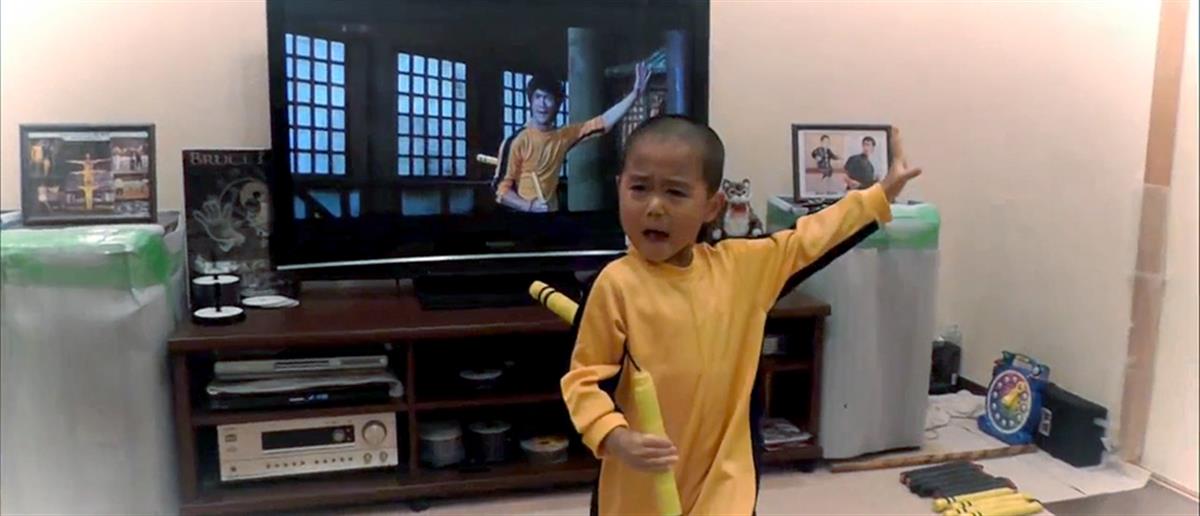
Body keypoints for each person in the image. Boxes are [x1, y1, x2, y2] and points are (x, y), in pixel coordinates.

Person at [561, 117, 921, 515]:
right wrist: (613, 436)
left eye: (675, 192)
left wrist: (882, 193)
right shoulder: (615, 285)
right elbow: (583, 379)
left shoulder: (742, 269)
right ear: (619, 189)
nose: (654, 207)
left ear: (711, 206)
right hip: (640, 487)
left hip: (724, 483)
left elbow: (812, 237)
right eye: (639, 188)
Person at [494, 62, 651, 212]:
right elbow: (500, 191)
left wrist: (634, 94)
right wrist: (529, 206)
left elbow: (603, 122)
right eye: (538, 97)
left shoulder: (562, 137)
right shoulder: (516, 141)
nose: (542, 104)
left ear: (557, 104)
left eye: (548, 98)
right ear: (530, 101)